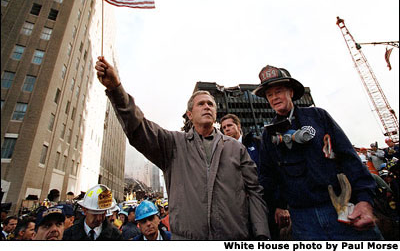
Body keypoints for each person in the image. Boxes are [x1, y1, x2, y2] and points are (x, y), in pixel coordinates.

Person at [95, 56, 270, 240]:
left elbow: (254, 191)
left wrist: (261, 234)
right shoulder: (173, 145)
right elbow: (138, 127)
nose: (207, 107)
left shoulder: (235, 148)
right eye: (201, 104)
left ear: (216, 113)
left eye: (210, 104)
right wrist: (115, 89)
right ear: (190, 114)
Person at [255, 65, 383, 240]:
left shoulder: (318, 117)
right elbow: (268, 175)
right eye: (269, 95)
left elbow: (349, 158)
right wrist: (277, 205)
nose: (274, 97)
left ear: (291, 92)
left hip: (342, 207)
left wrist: (364, 199)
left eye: (278, 91)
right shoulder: (268, 134)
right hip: (303, 219)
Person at [220, 113, 288, 240]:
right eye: (223, 128)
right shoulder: (222, 152)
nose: (227, 129)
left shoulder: (257, 143)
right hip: (239, 210)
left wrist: (281, 204)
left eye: (230, 125)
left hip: (266, 204)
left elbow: (275, 173)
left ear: (239, 126)